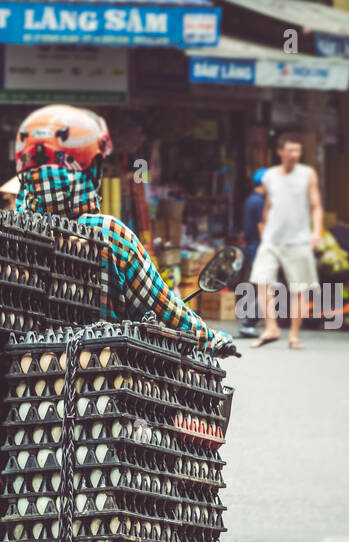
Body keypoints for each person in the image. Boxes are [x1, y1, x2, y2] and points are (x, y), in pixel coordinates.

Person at [13, 104, 234, 356]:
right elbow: (163, 310)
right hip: (99, 381)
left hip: (20, 380)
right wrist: (209, 340)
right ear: (92, 169)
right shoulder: (107, 234)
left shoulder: (7, 235)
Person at [250, 133, 323, 350]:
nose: (294, 155)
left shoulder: (307, 174)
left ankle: (293, 335)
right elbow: (269, 206)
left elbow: (316, 205)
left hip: (298, 240)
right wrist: (263, 228)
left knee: (299, 289)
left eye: (297, 151)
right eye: (290, 150)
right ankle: (271, 328)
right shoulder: (270, 176)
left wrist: (317, 232)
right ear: (280, 152)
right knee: (261, 280)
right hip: (272, 239)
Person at [236, 168, 267, 338]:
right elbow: (261, 226)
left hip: (252, 246)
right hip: (259, 246)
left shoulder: (251, 200)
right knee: (265, 287)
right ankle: (249, 323)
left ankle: (249, 322)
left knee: (259, 286)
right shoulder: (259, 201)